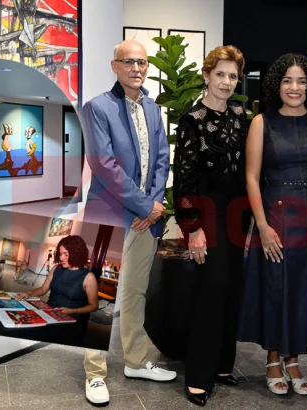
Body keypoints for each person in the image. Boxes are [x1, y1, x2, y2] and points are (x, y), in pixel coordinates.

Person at [79, 39, 174, 407]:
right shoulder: (97, 107)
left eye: (142, 62)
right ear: (114, 65)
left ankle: (136, 361)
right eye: (129, 61)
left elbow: (162, 159)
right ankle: (95, 373)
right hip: (108, 215)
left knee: (134, 292)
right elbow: (104, 166)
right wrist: (145, 205)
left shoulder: (153, 108)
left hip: (145, 220)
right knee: (101, 296)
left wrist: (154, 205)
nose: (136, 68)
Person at [238, 53, 307, 397]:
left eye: (302, 81)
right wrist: (262, 226)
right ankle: (272, 359)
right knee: (275, 286)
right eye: (287, 80)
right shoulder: (261, 123)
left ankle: (293, 360)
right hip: (275, 216)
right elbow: (252, 178)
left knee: (303, 288)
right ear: (276, 85)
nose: (295, 87)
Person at [173, 45, 249, 407]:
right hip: (208, 215)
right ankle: (198, 377)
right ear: (207, 75)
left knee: (232, 289)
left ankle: (221, 366)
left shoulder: (242, 115)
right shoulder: (192, 120)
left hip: (239, 215)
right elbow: (184, 180)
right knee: (211, 290)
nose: (226, 82)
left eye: (232, 76)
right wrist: (194, 229)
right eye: (220, 74)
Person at [15, 235, 98, 344]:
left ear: (77, 254)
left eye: (66, 254)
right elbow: (43, 289)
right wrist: (29, 293)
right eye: (60, 254)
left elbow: (94, 305)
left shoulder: (88, 277)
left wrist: (72, 311)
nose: (61, 258)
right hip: (48, 314)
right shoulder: (56, 269)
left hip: (69, 322)